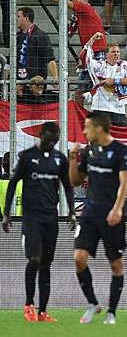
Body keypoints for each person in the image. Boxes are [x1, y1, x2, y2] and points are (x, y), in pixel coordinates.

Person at [2, 122, 76, 323]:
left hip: (50, 219)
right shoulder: (27, 156)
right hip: (31, 218)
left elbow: (68, 187)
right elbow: (13, 184)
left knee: (46, 264)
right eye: (49, 139)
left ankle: (43, 311)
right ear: (41, 135)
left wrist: (71, 212)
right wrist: (6, 213)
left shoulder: (59, 159)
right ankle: (28, 304)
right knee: (34, 259)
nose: (52, 143)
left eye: (56, 140)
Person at [68, 112, 127, 324]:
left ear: (99, 128)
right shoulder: (89, 151)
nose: (84, 132)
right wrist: (72, 158)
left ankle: (112, 312)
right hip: (89, 214)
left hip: (111, 215)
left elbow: (125, 182)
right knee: (79, 258)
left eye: (87, 128)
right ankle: (92, 303)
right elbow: (75, 181)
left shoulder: (120, 151)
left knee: (115, 264)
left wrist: (117, 209)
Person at [34, 0, 107, 84]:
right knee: (83, 85)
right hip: (88, 51)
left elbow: (61, 0)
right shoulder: (79, 14)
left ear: (85, 0)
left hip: (97, 51)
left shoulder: (86, 8)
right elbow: (69, 32)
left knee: (96, 83)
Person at [83, 32, 127, 127]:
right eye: (113, 52)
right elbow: (86, 57)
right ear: (106, 54)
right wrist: (92, 39)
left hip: (118, 110)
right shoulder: (100, 65)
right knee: (98, 139)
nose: (116, 54)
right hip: (101, 108)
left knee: (120, 139)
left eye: (118, 52)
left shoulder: (123, 64)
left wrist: (115, 81)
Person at [16, 7, 57, 81]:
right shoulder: (18, 37)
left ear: (26, 18)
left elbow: (50, 58)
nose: (16, 19)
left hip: (35, 83)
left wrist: (55, 78)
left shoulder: (40, 36)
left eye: (19, 16)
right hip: (18, 83)